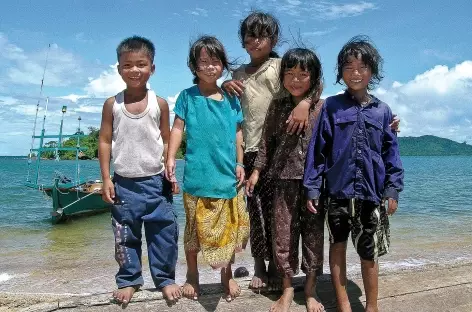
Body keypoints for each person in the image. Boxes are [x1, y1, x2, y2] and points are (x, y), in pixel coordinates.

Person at [303, 35, 404, 312]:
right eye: (348, 68)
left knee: (369, 251)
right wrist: (312, 187)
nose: (355, 73)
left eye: (361, 67)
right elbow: (318, 150)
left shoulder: (383, 111)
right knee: (337, 245)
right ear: (340, 72)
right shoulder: (332, 107)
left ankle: (372, 306)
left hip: (371, 193)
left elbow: (391, 153)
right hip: (338, 191)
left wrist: (393, 189)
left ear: (372, 71)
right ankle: (344, 304)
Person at [222, 10, 313, 291]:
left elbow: (310, 82)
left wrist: (305, 103)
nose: (256, 41)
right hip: (250, 151)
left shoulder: (280, 65)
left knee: (282, 213)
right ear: (243, 40)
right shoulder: (237, 74)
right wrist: (225, 84)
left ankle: (279, 267)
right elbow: (227, 107)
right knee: (256, 211)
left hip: (281, 149)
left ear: (273, 40)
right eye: (251, 35)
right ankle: (259, 266)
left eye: (263, 35)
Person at [98, 36, 181, 307]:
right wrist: (106, 178)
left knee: (164, 236)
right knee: (125, 238)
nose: (135, 70)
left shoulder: (160, 104)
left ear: (152, 68)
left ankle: (165, 279)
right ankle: (129, 280)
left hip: (157, 182)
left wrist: (171, 165)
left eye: (141, 64)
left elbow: (167, 138)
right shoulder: (113, 104)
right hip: (124, 184)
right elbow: (105, 140)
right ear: (119, 68)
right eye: (128, 65)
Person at [166, 36, 249, 303]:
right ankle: (192, 274)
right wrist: (169, 157)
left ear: (223, 66)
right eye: (204, 62)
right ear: (193, 66)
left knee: (229, 232)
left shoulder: (231, 97)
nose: (210, 67)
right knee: (193, 232)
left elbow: (238, 135)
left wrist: (239, 163)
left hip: (227, 177)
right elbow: (178, 128)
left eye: (215, 62)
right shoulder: (186, 97)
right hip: (196, 179)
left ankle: (227, 276)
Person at [246, 48, 325, 312]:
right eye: (289, 74)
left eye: (303, 74)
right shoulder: (278, 106)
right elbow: (266, 143)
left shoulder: (323, 107)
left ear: (313, 78)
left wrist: (390, 126)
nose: (295, 80)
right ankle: (288, 289)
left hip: (314, 184)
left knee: (313, 236)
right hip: (281, 179)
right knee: (283, 237)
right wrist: (256, 171)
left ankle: (311, 290)